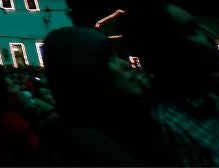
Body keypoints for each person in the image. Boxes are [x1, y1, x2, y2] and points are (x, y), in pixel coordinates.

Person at [121, 0, 219, 166]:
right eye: (192, 30)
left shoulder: (212, 98)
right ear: (166, 52)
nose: (209, 38)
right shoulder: (171, 128)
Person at [40, 25, 162, 165]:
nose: (126, 64)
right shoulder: (93, 150)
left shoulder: (123, 123)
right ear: (87, 73)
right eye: (109, 59)